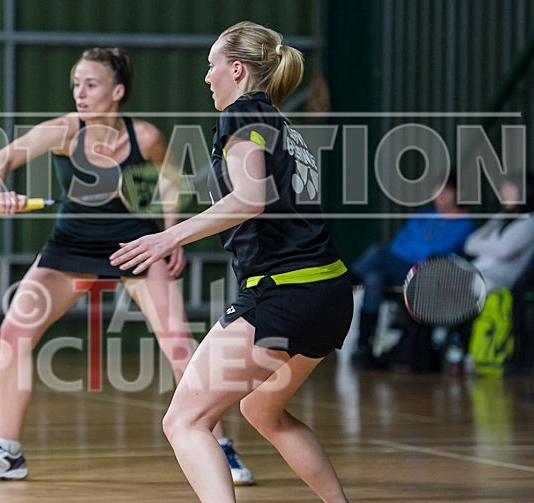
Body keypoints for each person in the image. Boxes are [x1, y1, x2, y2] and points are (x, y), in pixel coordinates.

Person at [0, 47, 253, 485]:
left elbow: (169, 181)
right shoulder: (63, 132)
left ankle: (220, 446)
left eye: (90, 84)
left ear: (117, 91)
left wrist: (170, 235)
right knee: (13, 332)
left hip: (135, 246)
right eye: (76, 83)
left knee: (178, 344)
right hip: (70, 247)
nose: (80, 92)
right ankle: (7, 452)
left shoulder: (144, 136)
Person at [111, 22, 353, 502]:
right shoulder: (282, 125)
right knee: (264, 412)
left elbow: (250, 200)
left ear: (236, 70)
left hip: (283, 295)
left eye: (211, 66)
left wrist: (168, 236)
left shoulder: (241, 115)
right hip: (330, 295)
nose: (207, 77)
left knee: (184, 420)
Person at [349, 175, 474, 367]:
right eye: (436, 191)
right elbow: (397, 246)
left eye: (446, 192)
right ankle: (364, 348)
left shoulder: (465, 223)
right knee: (375, 277)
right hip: (398, 268)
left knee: (377, 253)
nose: (439, 196)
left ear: (459, 194)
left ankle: (346, 283)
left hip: (424, 275)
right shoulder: (423, 216)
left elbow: (442, 253)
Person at [464, 172, 534, 372]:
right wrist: (494, 245)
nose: (503, 192)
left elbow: (504, 251)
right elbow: (470, 244)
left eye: (509, 189)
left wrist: (488, 244)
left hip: (501, 281)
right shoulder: (501, 217)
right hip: (475, 272)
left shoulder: (530, 222)